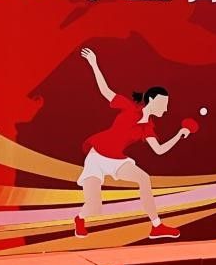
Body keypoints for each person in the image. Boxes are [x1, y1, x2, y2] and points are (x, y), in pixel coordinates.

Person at [75, 48, 188, 240]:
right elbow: (106, 91)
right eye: (164, 104)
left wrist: (179, 134)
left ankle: (156, 226)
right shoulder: (129, 107)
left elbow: (159, 150)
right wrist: (94, 64)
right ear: (152, 100)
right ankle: (79, 218)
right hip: (97, 157)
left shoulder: (148, 127)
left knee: (144, 179)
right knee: (94, 207)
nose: (166, 109)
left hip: (116, 160)